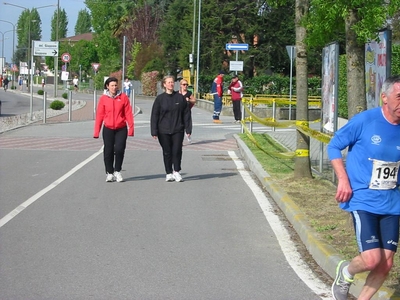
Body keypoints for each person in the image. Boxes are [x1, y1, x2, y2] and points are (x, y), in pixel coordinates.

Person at [328, 75, 400, 300]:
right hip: (364, 199)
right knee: (371, 259)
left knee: (386, 264)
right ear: (384, 98)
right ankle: (346, 271)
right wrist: (343, 179)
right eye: (399, 97)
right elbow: (334, 146)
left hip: (392, 202)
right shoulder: (365, 121)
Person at [151, 75, 192, 182]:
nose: (171, 84)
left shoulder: (180, 98)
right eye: (168, 82)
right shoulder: (160, 99)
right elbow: (155, 115)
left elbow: (186, 114)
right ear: (164, 85)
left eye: (172, 82)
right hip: (163, 130)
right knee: (167, 151)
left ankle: (176, 171)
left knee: (177, 150)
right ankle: (168, 172)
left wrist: (188, 129)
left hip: (177, 129)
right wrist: (154, 131)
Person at [93, 77, 134, 183]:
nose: (114, 87)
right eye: (112, 85)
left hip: (121, 128)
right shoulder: (103, 99)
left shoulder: (123, 97)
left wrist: (131, 128)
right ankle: (109, 172)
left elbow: (128, 113)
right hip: (108, 128)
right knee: (108, 150)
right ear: (107, 86)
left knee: (120, 149)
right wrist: (96, 131)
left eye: (115, 85)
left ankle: (117, 170)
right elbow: (99, 115)